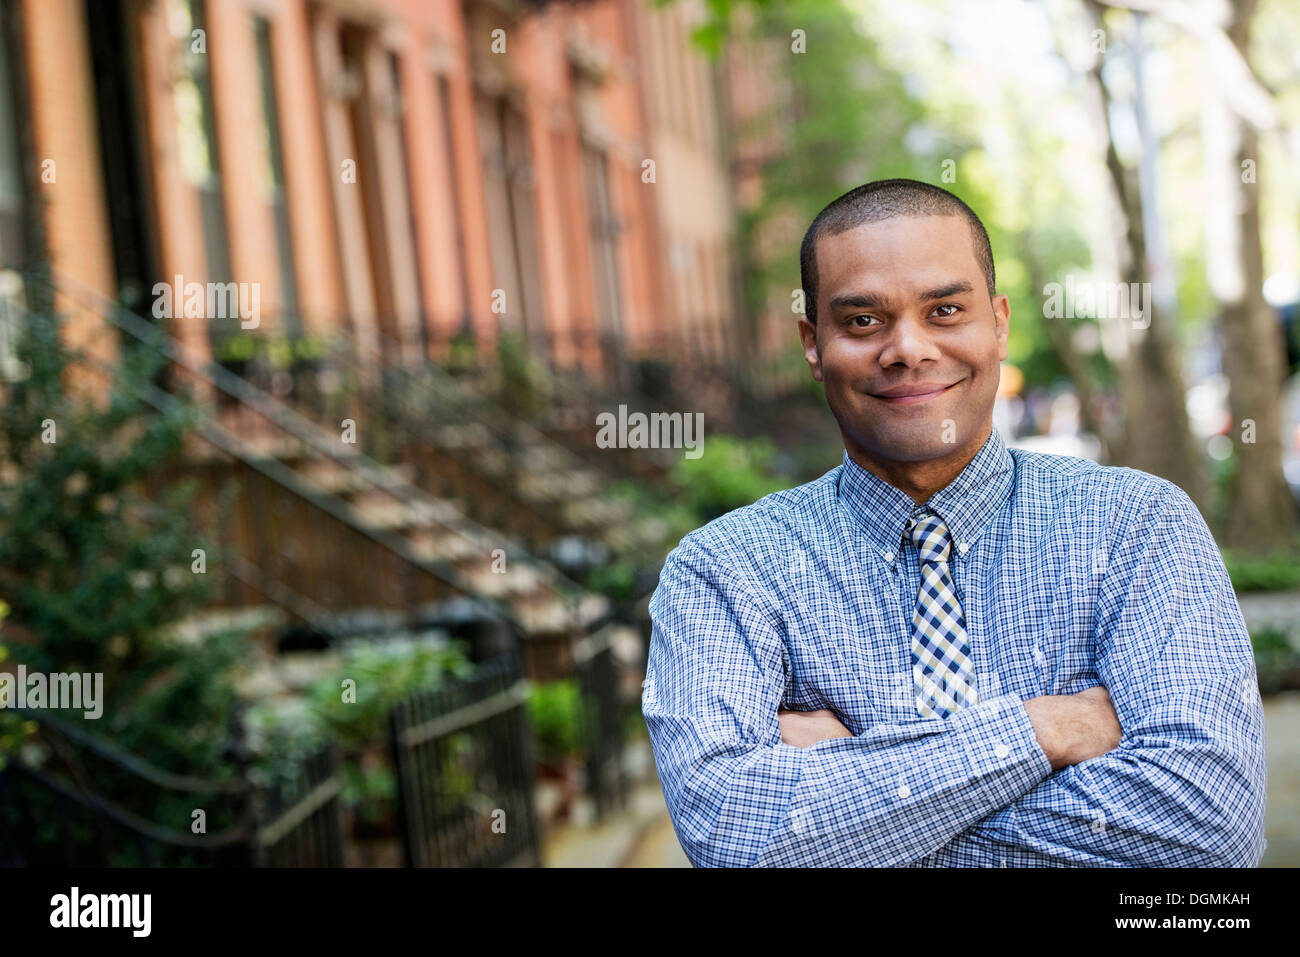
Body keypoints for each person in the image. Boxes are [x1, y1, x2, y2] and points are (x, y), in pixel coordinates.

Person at [640, 178, 1267, 867]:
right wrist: (1042, 728)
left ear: (998, 323)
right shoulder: (724, 570)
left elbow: (1211, 829)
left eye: (944, 310)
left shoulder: (1138, 526)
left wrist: (853, 798)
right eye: (862, 321)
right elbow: (732, 835)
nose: (907, 347)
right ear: (812, 345)